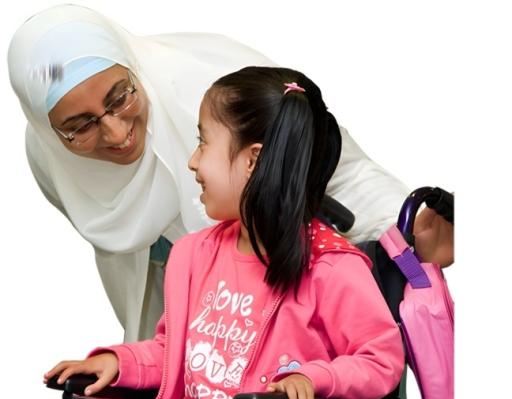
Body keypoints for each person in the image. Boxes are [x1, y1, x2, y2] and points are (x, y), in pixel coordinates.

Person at [8, 4, 451, 376]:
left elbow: (334, 167)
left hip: (286, 293)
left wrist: (405, 232)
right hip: (193, 299)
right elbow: (127, 249)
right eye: (80, 126)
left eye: (120, 96)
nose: (115, 131)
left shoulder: (213, 87)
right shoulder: (50, 158)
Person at [44, 66, 405, 399]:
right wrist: (119, 362)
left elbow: (380, 361)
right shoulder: (193, 254)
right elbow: (172, 351)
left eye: (203, 142)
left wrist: (315, 378)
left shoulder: (330, 265)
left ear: (254, 160)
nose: (192, 162)